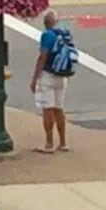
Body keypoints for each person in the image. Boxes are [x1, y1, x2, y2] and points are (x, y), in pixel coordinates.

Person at [30, 10, 72, 152]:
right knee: (59, 108)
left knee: (48, 108)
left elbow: (43, 56)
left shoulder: (47, 36)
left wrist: (35, 77)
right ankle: (63, 142)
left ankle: (49, 143)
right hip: (62, 75)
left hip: (48, 75)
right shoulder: (64, 34)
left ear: (45, 23)